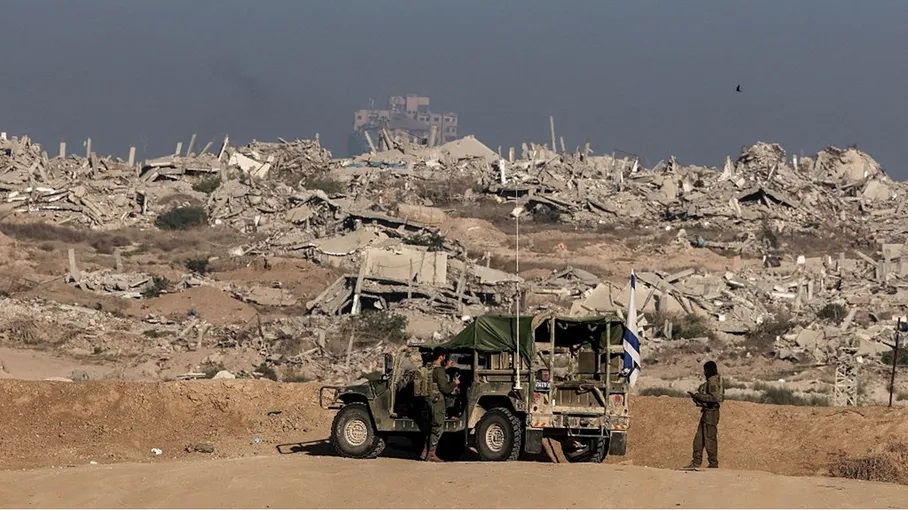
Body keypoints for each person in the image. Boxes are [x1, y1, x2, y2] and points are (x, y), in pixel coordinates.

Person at [422, 347, 459, 462]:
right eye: (444, 357)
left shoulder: (429, 367)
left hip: (428, 400)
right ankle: (431, 454)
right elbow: (445, 388)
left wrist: (446, 367)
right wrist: (454, 383)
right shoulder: (439, 371)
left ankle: (425, 452)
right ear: (441, 357)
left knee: (431, 426)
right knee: (437, 426)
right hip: (437, 401)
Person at [685, 360, 724, 469]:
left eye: (705, 370)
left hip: (711, 413)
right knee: (699, 439)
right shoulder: (713, 380)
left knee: (709, 439)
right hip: (707, 412)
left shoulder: (713, 381)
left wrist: (699, 396)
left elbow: (715, 398)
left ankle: (713, 463)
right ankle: (696, 462)